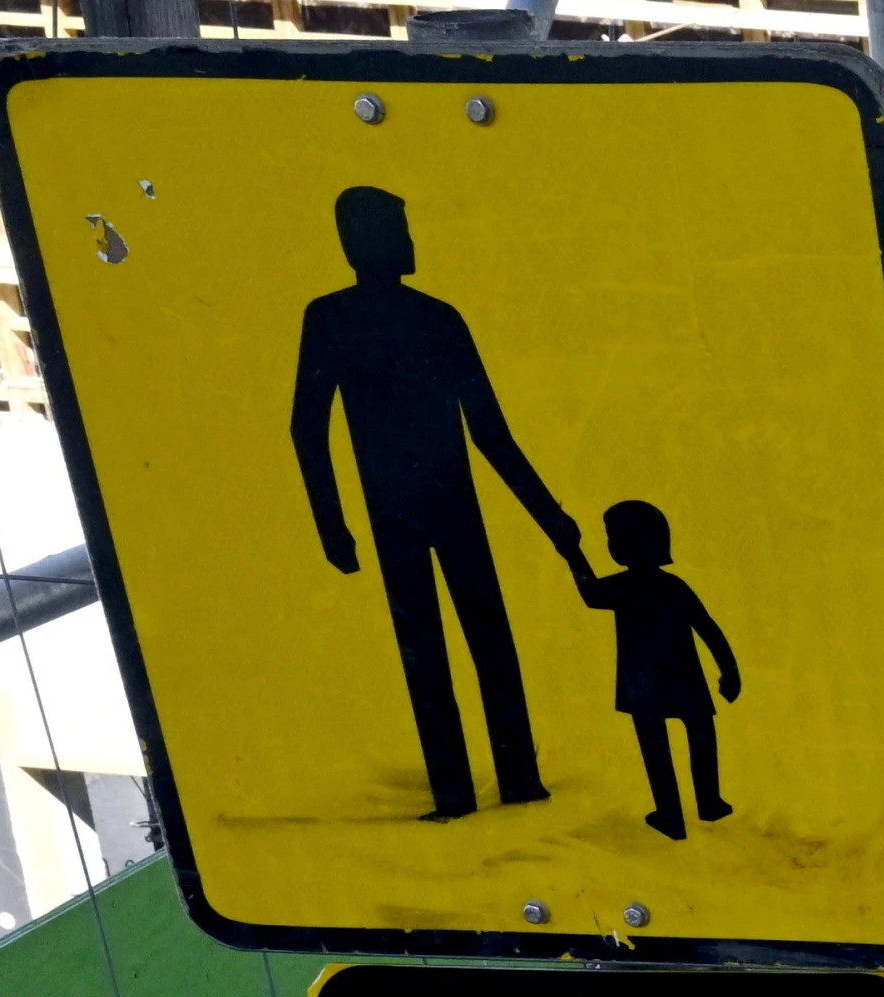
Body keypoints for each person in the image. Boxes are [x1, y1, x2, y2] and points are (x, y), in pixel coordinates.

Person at [288, 185, 580, 821]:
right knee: (430, 647)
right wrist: (331, 525)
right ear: (362, 240)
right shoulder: (334, 318)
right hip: (401, 510)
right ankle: (464, 789)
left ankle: (514, 778)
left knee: (475, 639)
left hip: (438, 503)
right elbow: (308, 426)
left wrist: (551, 517)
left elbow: (489, 432)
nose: (411, 240)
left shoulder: (437, 317)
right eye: (401, 227)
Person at [573, 501, 740, 841]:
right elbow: (707, 627)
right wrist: (729, 670)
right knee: (701, 735)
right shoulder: (673, 586)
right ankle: (708, 802)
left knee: (656, 747)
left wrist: (572, 553)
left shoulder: (624, 587)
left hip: (644, 682)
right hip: (684, 678)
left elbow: (590, 593)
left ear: (621, 547)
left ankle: (670, 815)